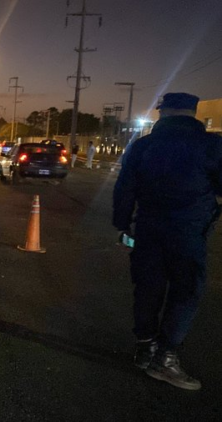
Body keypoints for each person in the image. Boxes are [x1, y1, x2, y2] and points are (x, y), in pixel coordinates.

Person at [113, 92, 222, 391]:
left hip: (147, 230)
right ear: (192, 113)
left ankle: (145, 347)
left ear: (164, 112)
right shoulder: (212, 145)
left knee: (147, 287)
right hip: (188, 233)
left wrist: (123, 227)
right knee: (186, 292)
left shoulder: (143, 146)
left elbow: (125, 190)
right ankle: (165, 355)